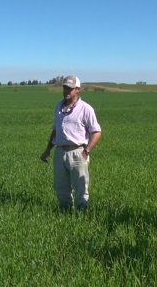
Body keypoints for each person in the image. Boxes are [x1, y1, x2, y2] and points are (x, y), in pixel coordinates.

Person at [40, 75, 101, 212]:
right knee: (61, 187)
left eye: (70, 89)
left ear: (78, 90)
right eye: (65, 88)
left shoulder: (86, 109)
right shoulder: (58, 106)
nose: (67, 91)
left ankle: (82, 214)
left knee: (81, 187)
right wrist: (47, 150)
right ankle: (65, 213)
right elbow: (55, 131)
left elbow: (97, 132)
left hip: (78, 152)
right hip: (60, 152)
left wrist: (87, 151)